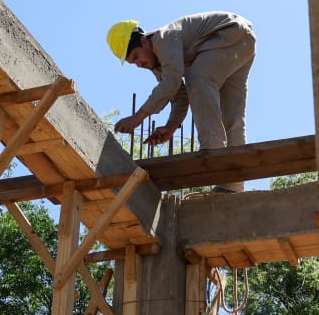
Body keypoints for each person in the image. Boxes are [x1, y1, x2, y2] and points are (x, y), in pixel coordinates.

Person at [106, 12, 256, 192]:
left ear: (144, 41)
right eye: (133, 63)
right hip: (241, 43)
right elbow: (180, 96)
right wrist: (170, 127)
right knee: (231, 115)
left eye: (137, 56)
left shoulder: (164, 39)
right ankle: (233, 186)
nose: (138, 64)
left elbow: (173, 82)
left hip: (231, 33)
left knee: (198, 77)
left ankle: (213, 154)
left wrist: (137, 118)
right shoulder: (159, 66)